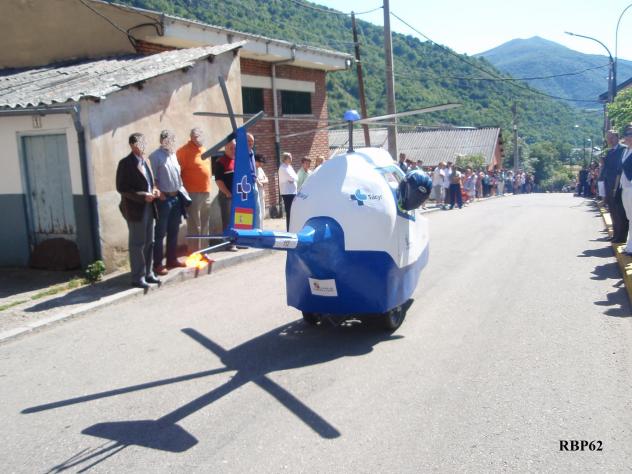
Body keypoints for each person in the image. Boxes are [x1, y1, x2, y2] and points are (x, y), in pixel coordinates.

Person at [116, 133, 161, 289]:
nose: (143, 146)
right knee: (137, 244)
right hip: (135, 209)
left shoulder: (146, 161)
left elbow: (151, 183)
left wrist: (155, 190)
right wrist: (143, 196)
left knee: (150, 242)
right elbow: (122, 188)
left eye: (144, 142)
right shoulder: (125, 163)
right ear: (132, 145)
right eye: (139, 143)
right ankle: (138, 277)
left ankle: (148, 273)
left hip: (150, 206)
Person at [149, 130, 186, 275]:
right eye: (166, 139)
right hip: (164, 200)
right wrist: (160, 193)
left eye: (171, 139)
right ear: (161, 141)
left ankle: (172, 259)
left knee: (174, 231)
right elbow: (152, 178)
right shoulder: (155, 156)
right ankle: (157, 264)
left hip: (176, 198)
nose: (169, 142)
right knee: (160, 233)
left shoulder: (173, 155)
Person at [177, 127, 210, 253]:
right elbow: (177, 172)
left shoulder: (204, 150)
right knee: (194, 224)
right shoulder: (183, 151)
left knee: (205, 223)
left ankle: (205, 251)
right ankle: (194, 252)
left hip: (205, 191)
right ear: (191, 137)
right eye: (195, 136)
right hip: (192, 192)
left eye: (199, 136)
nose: (198, 138)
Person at [603, 130, 628, 242]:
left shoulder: (623, 149)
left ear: (617, 137)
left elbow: (620, 168)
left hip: (618, 184)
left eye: (611, 137)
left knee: (620, 211)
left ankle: (621, 236)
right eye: (608, 138)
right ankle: (615, 234)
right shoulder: (609, 152)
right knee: (612, 210)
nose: (609, 140)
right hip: (609, 184)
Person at [215, 139, 237, 251]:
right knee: (228, 221)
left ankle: (238, 241)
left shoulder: (237, 160)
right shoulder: (220, 162)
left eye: (234, 148)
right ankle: (229, 244)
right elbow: (218, 181)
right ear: (225, 149)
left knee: (237, 220)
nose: (233, 150)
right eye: (230, 148)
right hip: (227, 196)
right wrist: (227, 193)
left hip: (237, 196)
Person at [279, 152, 298, 231]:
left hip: (293, 192)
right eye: (289, 157)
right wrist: (292, 179)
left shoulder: (289, 167)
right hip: (287, 193)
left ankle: (293, 228)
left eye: (291, 157)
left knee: (293, 212)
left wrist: (293, 179)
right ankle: (289, 230)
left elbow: (296, 177)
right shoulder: (283, 168)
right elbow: (292, 178)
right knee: (289, 212)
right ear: (285, 159)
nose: (291, 159)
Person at [255, 154, 268, 228]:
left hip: (262, 194)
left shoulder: (260, 169)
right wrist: (259, 182)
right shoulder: (253, 169)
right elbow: (255, 181)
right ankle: (258, 229)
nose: (261, 164)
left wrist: (261, 181)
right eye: (259, 162)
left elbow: (266, 179)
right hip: (256, 195)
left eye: (262, 163)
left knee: (262, 213)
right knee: (258, 214)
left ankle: (261, 229)